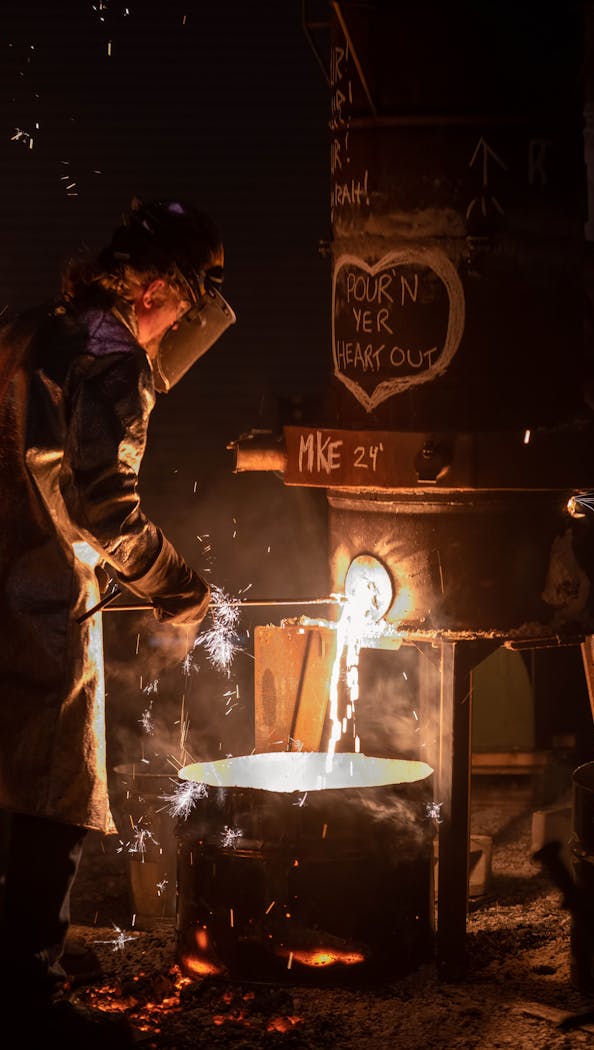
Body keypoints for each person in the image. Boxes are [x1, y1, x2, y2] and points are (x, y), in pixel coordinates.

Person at [0, 198, 235, 1045]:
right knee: (52, 793)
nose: (172, 334)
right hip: (36, 600)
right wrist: (179, 587)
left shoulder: (27, 328)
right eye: (178, 311)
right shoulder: (111, 356)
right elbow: (108, 507)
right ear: (156, 293)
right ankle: (26, 997)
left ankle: (23, 958)